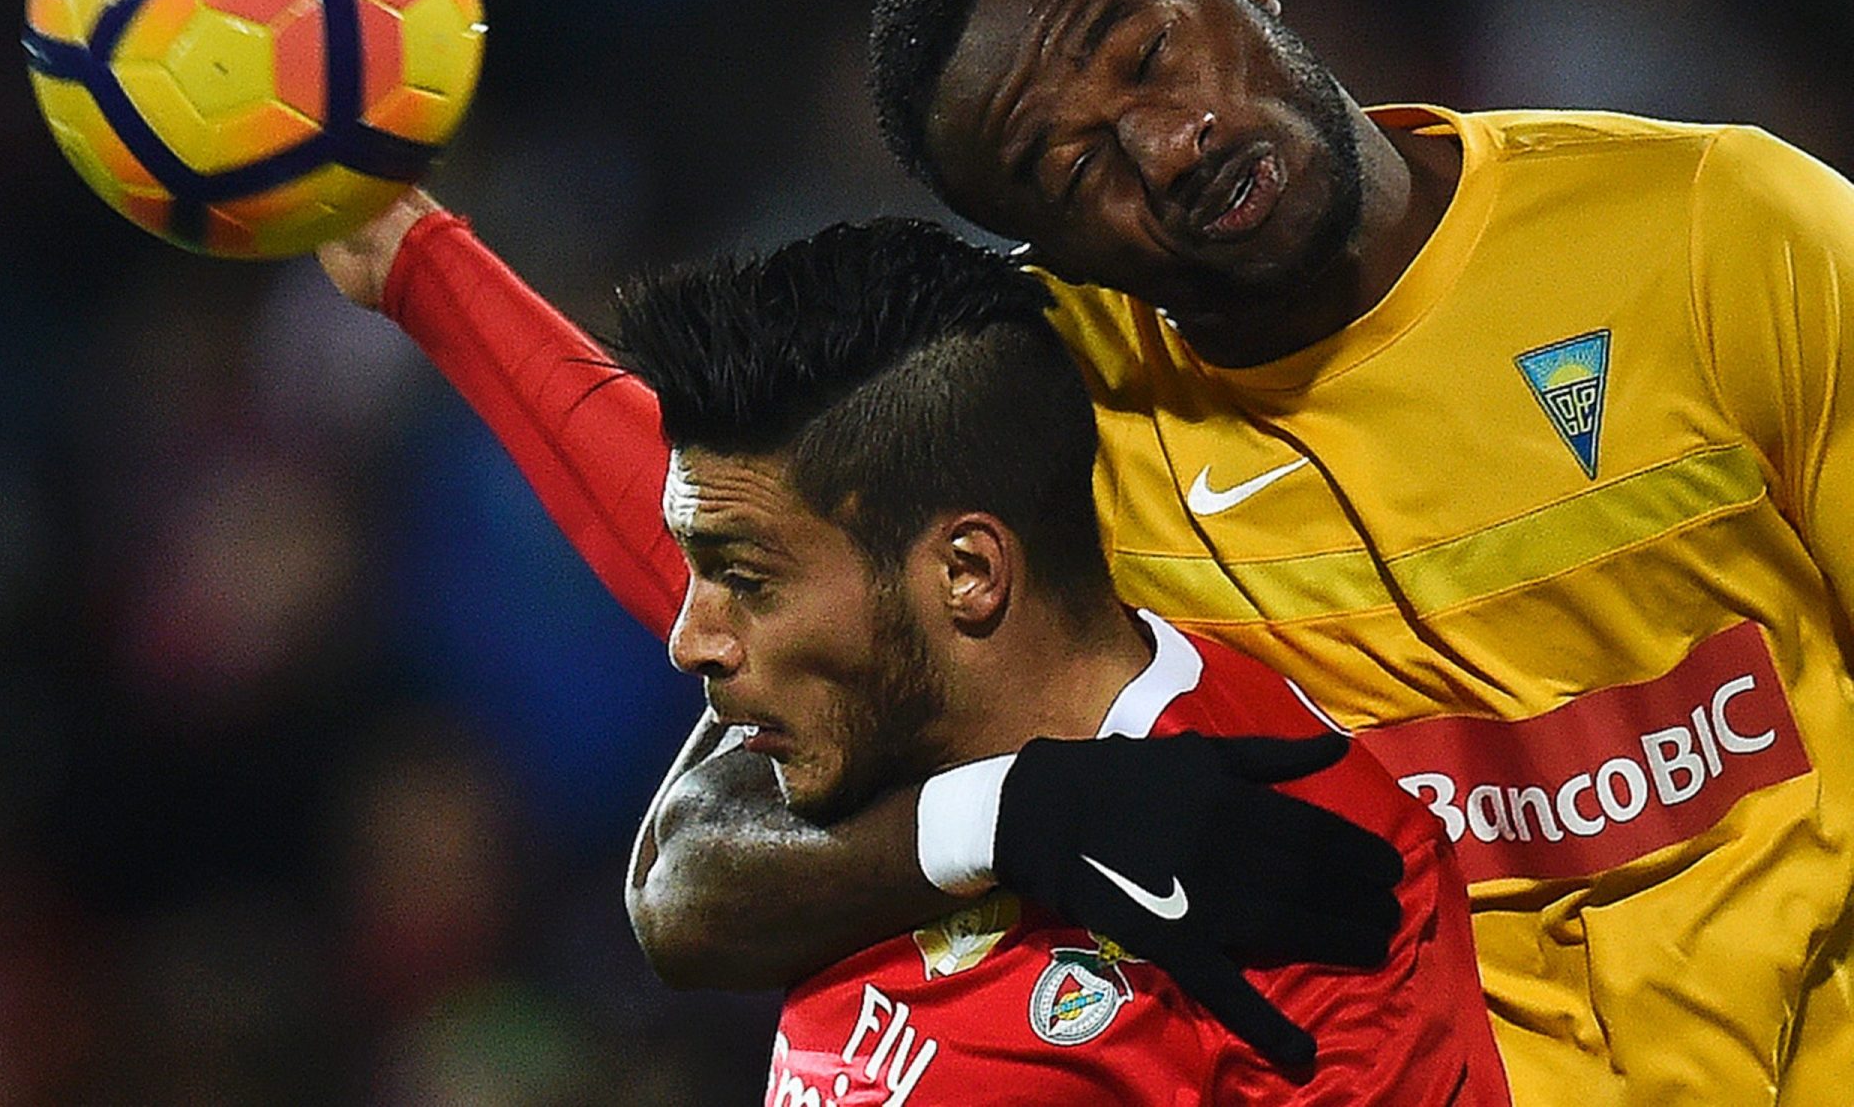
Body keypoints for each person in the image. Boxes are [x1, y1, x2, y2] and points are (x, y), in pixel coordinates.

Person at [319, 0, 1854, 1101]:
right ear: (1046, 247)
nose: (1173, 140)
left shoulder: (1722, 231)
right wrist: (419, 264)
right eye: (1072, 166)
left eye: (1149, 50)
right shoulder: (1066, 413)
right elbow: (707, 745)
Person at [609, 216, 1508, 1103]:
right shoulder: (866, 721)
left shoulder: (1303, 876)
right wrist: (1008, 815)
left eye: (745, 580)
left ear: (968, 573)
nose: (691, 639)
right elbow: (677, 876)